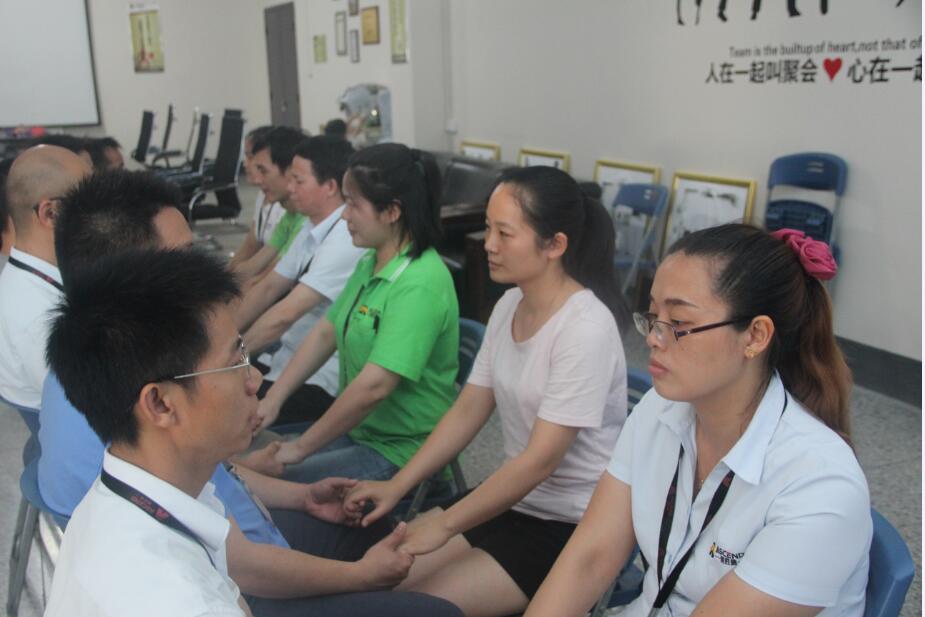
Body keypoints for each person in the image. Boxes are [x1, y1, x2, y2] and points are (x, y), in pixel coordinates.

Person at [43, 249, 463, 617]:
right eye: (235, 362)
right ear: (160, 404)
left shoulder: (137, 492)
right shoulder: (182, 602)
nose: (255, 378)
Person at [525, 224, 871, 617]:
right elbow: (591, 557)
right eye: (653, 315)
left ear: (755, 336)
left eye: (678, 323)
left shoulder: (820, 483)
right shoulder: (659, 409)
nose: (653, 337)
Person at [344, 166, 630, 616]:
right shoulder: (510, 304)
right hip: (513, 498)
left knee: (410, 608)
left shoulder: (585, 329)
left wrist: (445, 524)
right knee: (378, 584)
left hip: (572, 522)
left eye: (504, 233)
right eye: (488, 228)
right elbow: (467, 410)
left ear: (554, 245)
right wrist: (398, 485)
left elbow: (540, 461)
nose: (488, 244)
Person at [252, 143, 459, 486]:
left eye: (353, 205)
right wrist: (274, 399)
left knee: (269, 483)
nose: (344, 216)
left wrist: (300, 448)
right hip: (363, 432)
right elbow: (326, 332)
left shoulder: (419, 283)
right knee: (253, 467)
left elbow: (374, 386)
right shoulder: (371, 260)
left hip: (402, 452)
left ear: (391, 211)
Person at [236, 136, 365, 426]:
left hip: (318, 379)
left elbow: (286, 313)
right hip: (285, 359)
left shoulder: (345, 238)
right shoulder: (311, 225)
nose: (290, 188)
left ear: (329, 187)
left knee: (219, 412)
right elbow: (268, 288)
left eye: (298, 180)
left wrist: (230, 355)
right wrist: (225, 342)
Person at [0, 145, 89, 412]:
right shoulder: (40, 319)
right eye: (90, 200)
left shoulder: (28, 279)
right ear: (50, 213)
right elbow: (92, 412)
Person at [233, 127, 306, 285]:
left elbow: (267, 283)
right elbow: (253, 262)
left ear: (290, 171)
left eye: (263, 171)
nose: (258, 179)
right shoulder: (290, 215)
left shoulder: (306, 220)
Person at [230, 126, 286, 269]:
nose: (245, 164)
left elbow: (275, 268)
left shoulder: (285, 206)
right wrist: (226, 274)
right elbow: (251, 244)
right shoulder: (263, 194)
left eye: (250, 157)